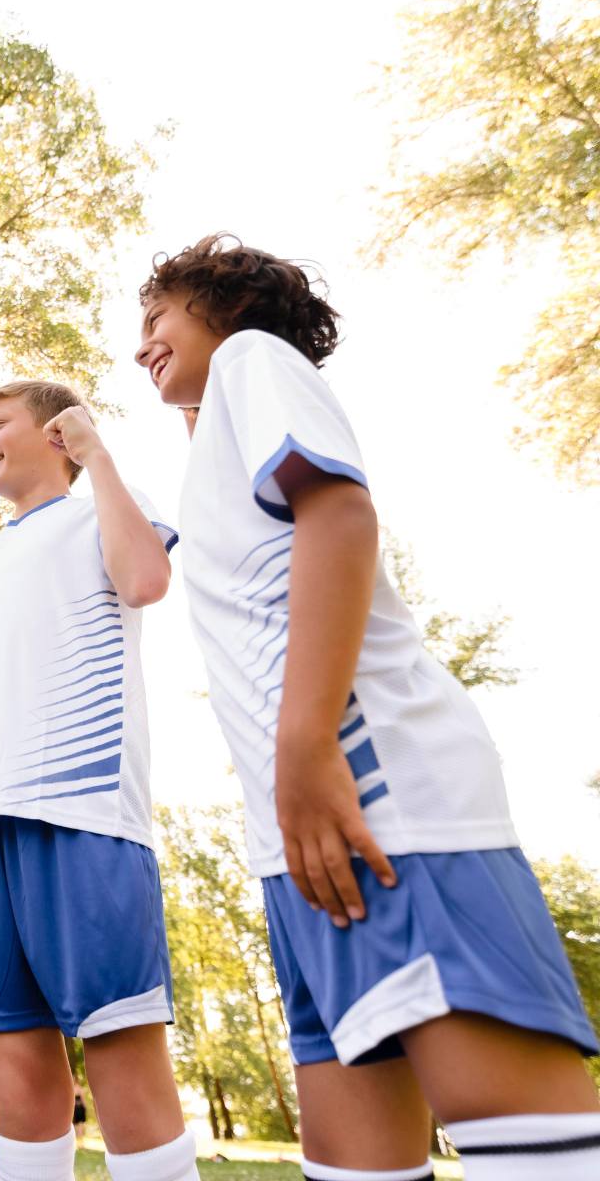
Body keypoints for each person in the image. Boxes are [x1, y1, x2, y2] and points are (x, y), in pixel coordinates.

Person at [135, 233, 600, 1181]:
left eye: (158, 317)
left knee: (523, 1136)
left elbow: (340, 513)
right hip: (294, 838)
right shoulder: (212, 438)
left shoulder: (252, 361)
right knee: (355, 1160)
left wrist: (306, 749)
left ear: (224, 305)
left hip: (374, 793)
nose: (141, 343)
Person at [0, 382, 199, 1181]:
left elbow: (146, 582)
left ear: (56, 433)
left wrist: (99, 456)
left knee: (120, 1048)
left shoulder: (104, 507)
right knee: (14, 1059)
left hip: (80, 812)